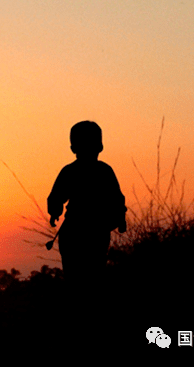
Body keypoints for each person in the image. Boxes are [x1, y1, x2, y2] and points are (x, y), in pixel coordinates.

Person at [46, 121, 126, 290]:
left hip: (77, 232)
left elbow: (55, 198)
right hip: (94, 232)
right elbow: (117, 199)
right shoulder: (104, 171)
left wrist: (54, 212)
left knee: (76, 279)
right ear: (101, 146)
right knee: (93, 278)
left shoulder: (70, 171)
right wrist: (119, 218)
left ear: (73, 148)